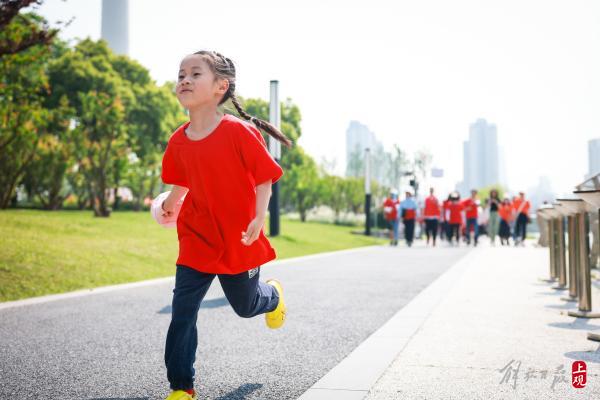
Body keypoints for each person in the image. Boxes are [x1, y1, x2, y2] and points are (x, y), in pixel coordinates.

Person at [160, 51, 292, 400]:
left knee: (245, 307)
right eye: (181, 74)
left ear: (221, 86)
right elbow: (183, 180)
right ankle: (181, 387)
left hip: (238, 237)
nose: (184, 80)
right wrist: (172, 203)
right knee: (183, 311)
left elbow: (265, 179)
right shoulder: (178, 140)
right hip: (197, 237)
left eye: (194, 74)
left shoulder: (239, 132)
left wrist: (258, 217)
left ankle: (273, 296)